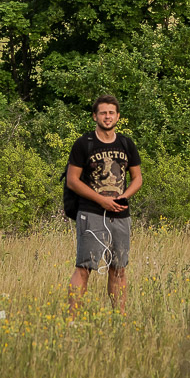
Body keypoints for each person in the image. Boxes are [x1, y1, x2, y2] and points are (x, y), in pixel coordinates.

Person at [65, 94, 142, 313]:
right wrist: (101, 201)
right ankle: (72, 320)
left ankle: (120, 317)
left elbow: (137, 178)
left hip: (120, 214)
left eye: (111, 113)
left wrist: (123, 197)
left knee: (118, 269)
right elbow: (72, 180)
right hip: (91, 213)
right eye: (102, 113)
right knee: (84, 268)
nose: (107, 117)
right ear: (94, 116)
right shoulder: (83, 144)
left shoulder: (126, 143)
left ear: (118, 116)